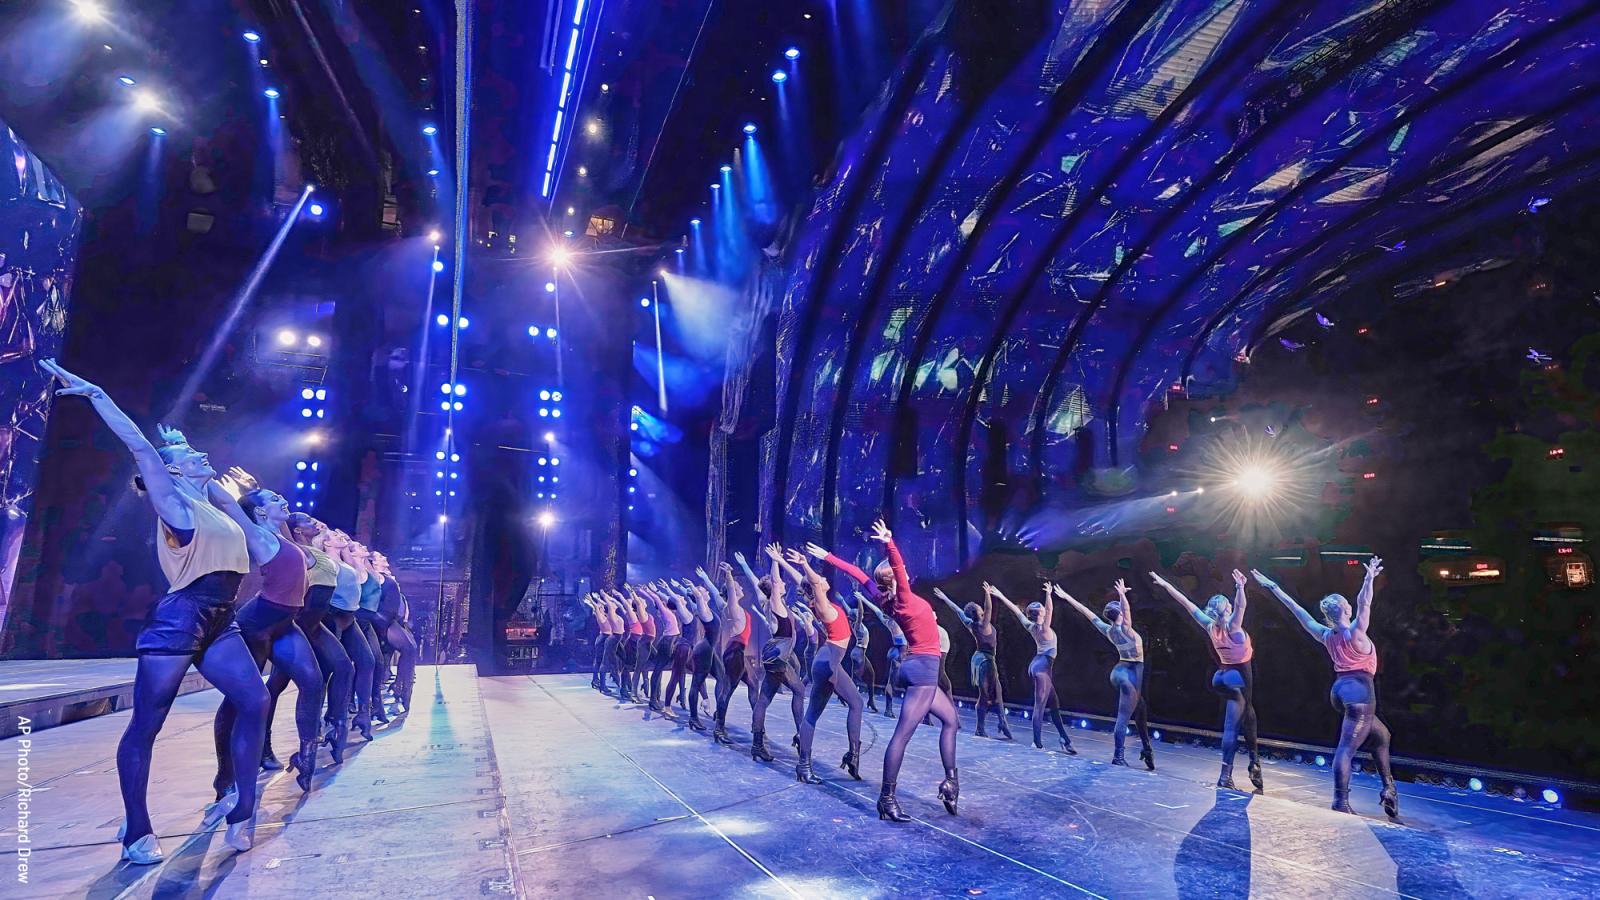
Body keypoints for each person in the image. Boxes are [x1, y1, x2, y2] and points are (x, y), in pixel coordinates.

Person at [42, 360, 265, 861]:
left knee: (254, 701)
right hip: (182, 618)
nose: (204, 455)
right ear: (171, 471)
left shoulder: (206, 502)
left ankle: (241, 808)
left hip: (221, 617)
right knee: (147, 723)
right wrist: (99, 394)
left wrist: (181, 445)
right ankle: (135, 830)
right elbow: (142, 449)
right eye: (191, 454)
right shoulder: (174, 507)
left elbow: (190, 468)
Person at [814, 520, 959, 822]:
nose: (906, 574)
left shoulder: (884, 598)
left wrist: (828, 557)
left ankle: (950, 782)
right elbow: (896, 565)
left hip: (915, 668)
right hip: (923, 670)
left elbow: (857, 574)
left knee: (951, 721)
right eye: (901, 574)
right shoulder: (903, 597)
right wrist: (889, 543)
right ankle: (887, 799)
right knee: (901, 736)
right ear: (898, 578)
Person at [1254, 558, 1398, 817]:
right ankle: (1340, 802)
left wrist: (1273, 588)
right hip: (1359, 693)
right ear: (1346, 609)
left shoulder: (1325, 634)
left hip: (1340, 692)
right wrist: (1368, 579)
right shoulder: (1355, 633)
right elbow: (1365, 602)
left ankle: (1389, 787)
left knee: (1382, 735)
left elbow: (1297, 610)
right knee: (1346, 749)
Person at [210, 483, 326, 799]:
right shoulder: (257, 535)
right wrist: (197, 472)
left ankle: (306, 753)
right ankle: (225, 777)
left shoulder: (284, 538)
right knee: (239, 701)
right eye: (275, 498)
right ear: (260, 511)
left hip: (285, 623)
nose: (283, 498)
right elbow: (226, 501)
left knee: (313, 683)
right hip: (256, 623)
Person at [1153, 568, 1261, 790]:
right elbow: (1241, 607)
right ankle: (1229, 774)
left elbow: (1185, 602)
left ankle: (1251, 762)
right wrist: (1240, 588)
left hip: (1220, 678)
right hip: (1236, 677)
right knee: (1237, 723)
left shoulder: (1209, 624)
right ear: (1227, 609)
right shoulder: (1233, 627)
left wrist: (1166, 585)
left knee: (1245, 716)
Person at [779, 549, 865, 783]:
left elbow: (806, 583)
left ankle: (846, 756)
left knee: (851, 704)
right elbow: (813, 583)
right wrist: (806, 564)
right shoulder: (823, 606)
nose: (825, 579)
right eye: (821, 579)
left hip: (828, 659)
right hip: (829, 661)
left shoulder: (817, 600)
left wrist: (783, 562)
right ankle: (812, 764)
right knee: (828, 711)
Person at [277, 513, 354, 763]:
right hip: (298, 624)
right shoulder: (296, 549)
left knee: (343, 667)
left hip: (315, 625)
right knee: (277, 686)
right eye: (308, 522)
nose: (316, 524)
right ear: (297, 531)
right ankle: (291, 747)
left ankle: (334, 724)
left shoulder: (316, 551)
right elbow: (280, 532)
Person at [1056, 580, 1154, 770]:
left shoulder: (1108, 630)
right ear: (1120, 614)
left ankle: (1147, 749)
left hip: (1119, 671)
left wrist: (1067, 597)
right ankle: (1118, 756)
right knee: (1124, 716)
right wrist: (1122, 595)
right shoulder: (1127, 630)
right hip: (1131, 673)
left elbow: (1086, 612)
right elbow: (1127, 615)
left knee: (1140, 709)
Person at [989, 582, 1077, 755]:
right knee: (1040, 707)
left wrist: (1000, 595)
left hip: (1038, 665)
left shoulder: (1030, 625)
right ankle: (1036, 742)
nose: (1046, 610)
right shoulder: (1043, 628)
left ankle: (1064, 739)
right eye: (1043, 610)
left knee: (1054, 705)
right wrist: (1049, 594)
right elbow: (1050, 611)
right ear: (1041, 615)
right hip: (1042, 667)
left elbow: (1015, 610)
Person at [737, 546, 806, 762]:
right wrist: (775, 561)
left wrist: (744, 566)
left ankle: (757, 744)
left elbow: (758, 582)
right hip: (778, 652)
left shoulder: (766, 600)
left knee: (764, 698)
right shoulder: (774, 602)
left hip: (775, 651)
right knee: (799, 690)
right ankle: (802, 735)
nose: (784, 583)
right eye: (781, 583)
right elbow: (774, 583)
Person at [934, 586, 1010, 738]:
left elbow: (957, 610)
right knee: (985, 695)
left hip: (981, 659)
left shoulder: (971, 624)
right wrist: (987, 594)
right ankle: (980, 728)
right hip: (985, 661)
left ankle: (1002, 722)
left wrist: (945, 598)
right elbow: (989, 608)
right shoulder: (983, 624)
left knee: (998, 692)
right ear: (979, 612)